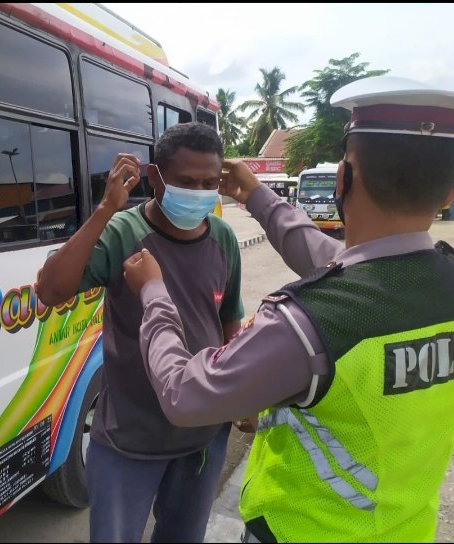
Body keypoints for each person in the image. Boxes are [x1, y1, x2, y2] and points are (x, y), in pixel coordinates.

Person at [122, 75, 454, 543]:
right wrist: (256, 195)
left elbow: (184, 394)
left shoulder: (309, 322)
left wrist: (154, 294)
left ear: (342, 179)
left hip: (301, 529)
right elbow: (333, 259)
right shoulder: (432, 283)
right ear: (447, 194)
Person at [37, 122, 245, 543]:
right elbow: (50, 289)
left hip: (203, 439)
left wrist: (240, 394)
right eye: (187, 182)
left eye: (209, 182)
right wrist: (104, 209)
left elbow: (228, 321)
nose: (200, 192)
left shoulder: (222, 237)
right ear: (155, 178)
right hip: (129, 439)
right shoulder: (123, 233)